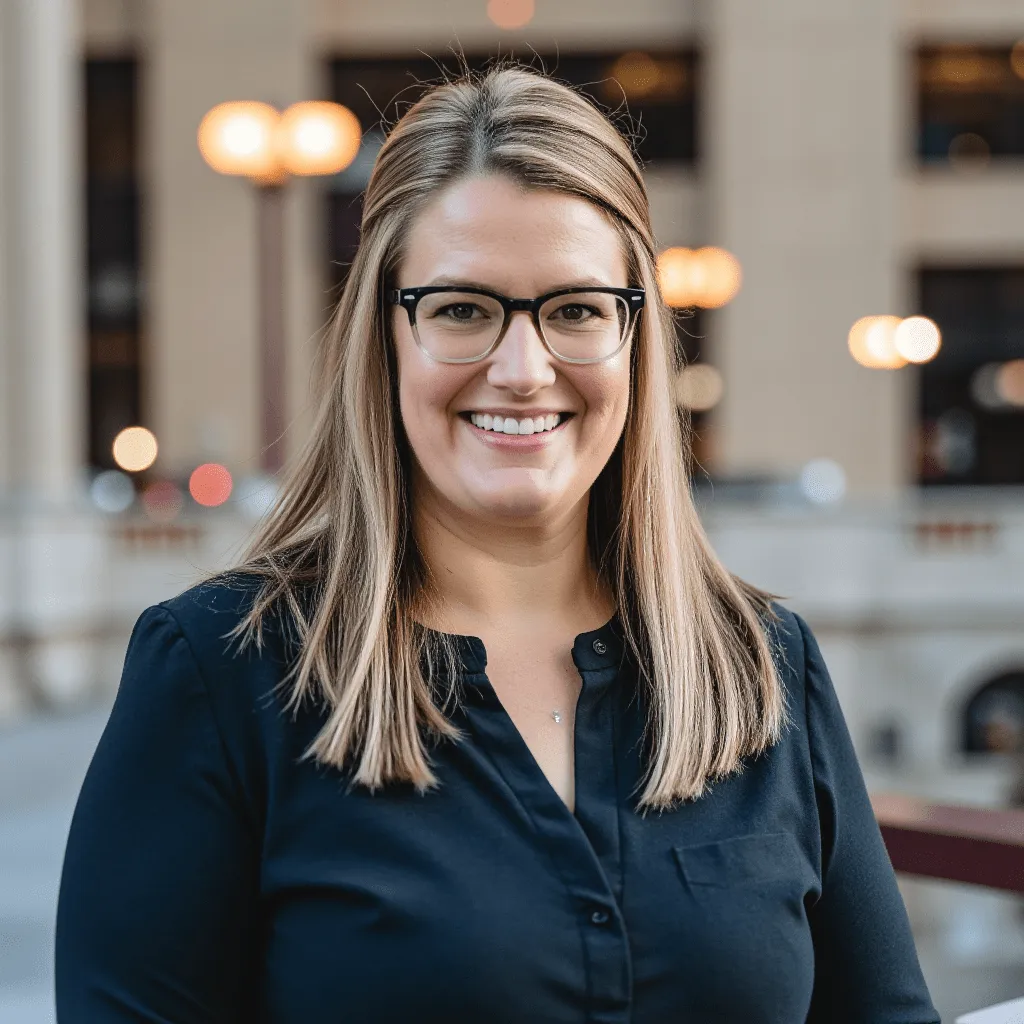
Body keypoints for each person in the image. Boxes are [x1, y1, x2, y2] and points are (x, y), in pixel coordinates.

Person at [55, 66, 939, 1023]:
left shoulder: (763, 667)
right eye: (463, 309)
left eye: (576, 309)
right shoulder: (222, 673)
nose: (522, 369)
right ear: (386, 334)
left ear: (635, 337)